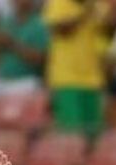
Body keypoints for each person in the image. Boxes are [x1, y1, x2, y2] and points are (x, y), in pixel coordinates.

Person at [44, 0, 109, 136]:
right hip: (67, 81)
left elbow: (108, 32)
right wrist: (85, 13)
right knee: (72, 135)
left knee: (93, 135)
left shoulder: (97, 6)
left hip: (93, 81)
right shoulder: (58, 3)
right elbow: (61, 29)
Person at [0, 0, 50, 87]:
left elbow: (42, 59)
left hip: (29, 84)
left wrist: (11, 44)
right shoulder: (4, 22)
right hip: (2, 82)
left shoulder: (41, 23)